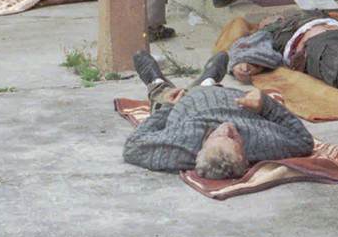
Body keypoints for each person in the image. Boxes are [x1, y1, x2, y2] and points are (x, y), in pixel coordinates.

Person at [122, 50, 315, 178]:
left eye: (220, 135)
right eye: (234, 138)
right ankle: (208, 79)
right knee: (208, 85)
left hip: (185, 102)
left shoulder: (179, 146)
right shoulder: (263, 144)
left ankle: (156, 82)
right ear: (246, 157)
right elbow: (304, 141)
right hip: (224, 94)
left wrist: (167, 108)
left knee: (162, 94)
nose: (227, 127)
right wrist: (266, 105)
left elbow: (132, 147)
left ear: (201, 148)